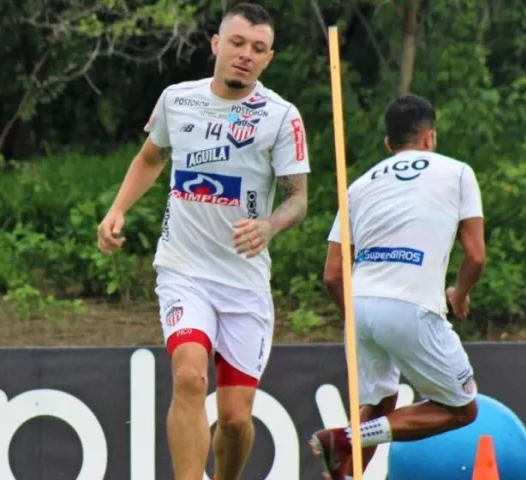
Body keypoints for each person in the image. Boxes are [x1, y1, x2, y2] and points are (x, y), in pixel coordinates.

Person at [96, 3, 311, 479]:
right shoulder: (178, 99)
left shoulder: (281, 117)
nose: (245, 55)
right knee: (190, 377)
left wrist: (271, 225)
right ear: (216, 44)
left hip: (243, 282)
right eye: (236, 43)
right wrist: (118, 209)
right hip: (184, 270)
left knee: (235, 420)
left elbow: (298, 199)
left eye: (257, 49)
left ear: (267, 58)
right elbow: (151, 158)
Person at [309, 94, 486, 480]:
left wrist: (357, 318)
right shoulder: (457, 172)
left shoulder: (357, 186)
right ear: (430, 137)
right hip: (411, 306)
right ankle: (348, 435)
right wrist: (459, 293)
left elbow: (332, 274)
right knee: (461, 408)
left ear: (389, 145)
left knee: (381, 402)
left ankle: (348, 449)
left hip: (360, 305)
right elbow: (475, 255)